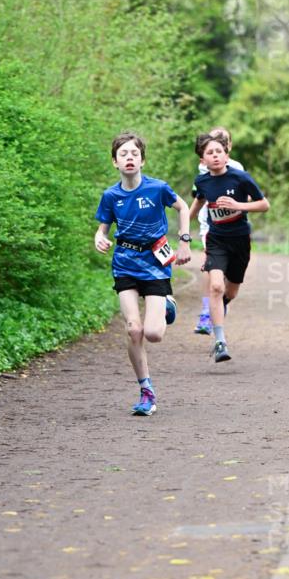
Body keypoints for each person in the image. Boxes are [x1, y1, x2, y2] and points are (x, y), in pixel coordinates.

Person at [94, 131, 191, 416]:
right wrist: (99, 238)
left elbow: (183, 207)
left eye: (134, 154)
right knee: (133, 329)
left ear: (142, 160)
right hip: (124, 262)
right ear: (115, 162)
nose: (129, 158)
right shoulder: (110, 196)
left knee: (153, 334)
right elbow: (103, 228)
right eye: (123, 154)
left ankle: (167, 304)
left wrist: (184, 240)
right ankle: (146, 390)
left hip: (155, 263)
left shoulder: (157, 188)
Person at [189, 132, 270, 363]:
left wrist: (238, 205)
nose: (215, 156)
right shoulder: (202, 181)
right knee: (215, 286)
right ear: (202, 160)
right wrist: (184, 229)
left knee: (229, 292)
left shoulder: (241, 178)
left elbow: (264, 205)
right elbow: (197, 204)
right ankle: (220, 341)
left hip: (240, 240)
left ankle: (218, 310)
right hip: (216, 240)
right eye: (209, 153)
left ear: (226, 155)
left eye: (218, 152)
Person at [193, 126, 244, 335]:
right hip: (210, 225)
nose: (217, 147)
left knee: (230, 286)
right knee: (210, 265)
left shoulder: (237, 168)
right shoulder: (205, 167)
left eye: (223, 141)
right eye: (214, 141)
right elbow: (199, 197)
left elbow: (248, 196)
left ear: (229, 147)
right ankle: (207, 310)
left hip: (235, 228)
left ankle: (220, 303)